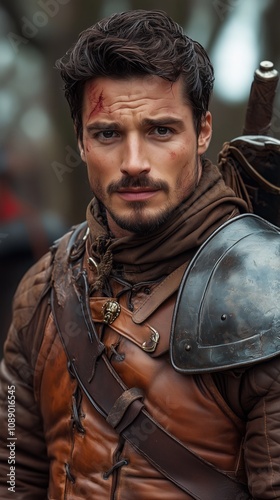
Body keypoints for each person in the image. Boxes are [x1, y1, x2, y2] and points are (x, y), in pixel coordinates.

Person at [0, 9, 279, 500]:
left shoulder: (263, 293)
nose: (133, 163)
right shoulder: (44, 286)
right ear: (81, 142)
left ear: (204, 131)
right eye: (108, 134)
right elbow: (12, 474)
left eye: (161, 131)